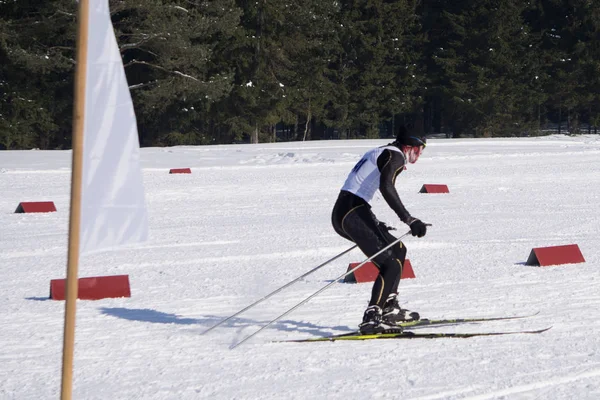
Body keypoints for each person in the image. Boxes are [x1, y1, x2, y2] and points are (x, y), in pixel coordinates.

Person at [331, 125, 428, 334]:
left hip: (351, 211)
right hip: (352, 212)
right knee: (390, 264)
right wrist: (409, 219)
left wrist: (374, 222)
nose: (420, 155)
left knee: (398, 249)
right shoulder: (396, 156)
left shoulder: (384, 151)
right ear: (410, 146)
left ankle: (389, 308)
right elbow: (386, 186)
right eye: (420, 149)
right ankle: (372, 317)